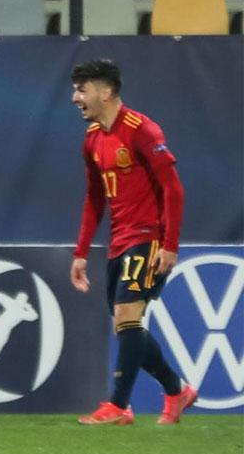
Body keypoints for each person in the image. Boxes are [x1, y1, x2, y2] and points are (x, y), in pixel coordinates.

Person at [68, 59, 197, 426]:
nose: (76, 97)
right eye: (75, 90)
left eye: (82, 89)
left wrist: (169, 244)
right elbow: (94, 199)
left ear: (105, 92)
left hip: (149, 237)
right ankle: (177, 391)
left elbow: (173, 188)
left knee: (127, 317)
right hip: (119, 240)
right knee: (127, 326)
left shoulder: (142, 131)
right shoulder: (92, 138)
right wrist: (80, 252)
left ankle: (119, 406)